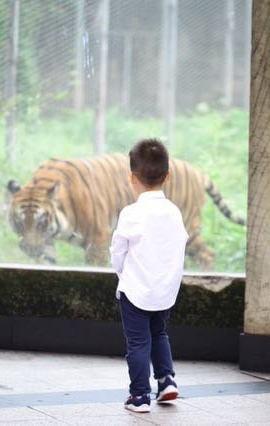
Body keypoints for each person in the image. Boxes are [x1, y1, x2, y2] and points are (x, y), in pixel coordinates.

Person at [109, 138, 188, 413]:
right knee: (159, 333)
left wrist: (122, 274)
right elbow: (180, 246)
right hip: (164, 292)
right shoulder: (174, 212)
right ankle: (166, 381)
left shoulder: (131, 213)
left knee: (138, 343)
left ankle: (140, 396)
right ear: (167, 175)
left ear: (132, 177)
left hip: (135, 292)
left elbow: (118, 250)